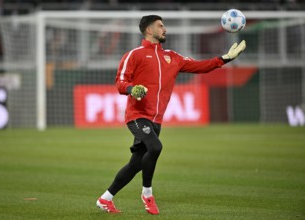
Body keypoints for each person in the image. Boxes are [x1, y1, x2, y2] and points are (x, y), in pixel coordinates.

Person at [96, 15, 246, 215]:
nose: (164, 29)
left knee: (136, 164)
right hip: (137, 115)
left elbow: (200, 66)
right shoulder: (134, 55)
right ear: (149, 30)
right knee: (156, 147)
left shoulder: (172, 57)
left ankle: (105, 199)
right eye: (160, 26)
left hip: (156, 119)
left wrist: (225, 59)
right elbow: (120, 82)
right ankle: (147, 194)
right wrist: (132, 89)